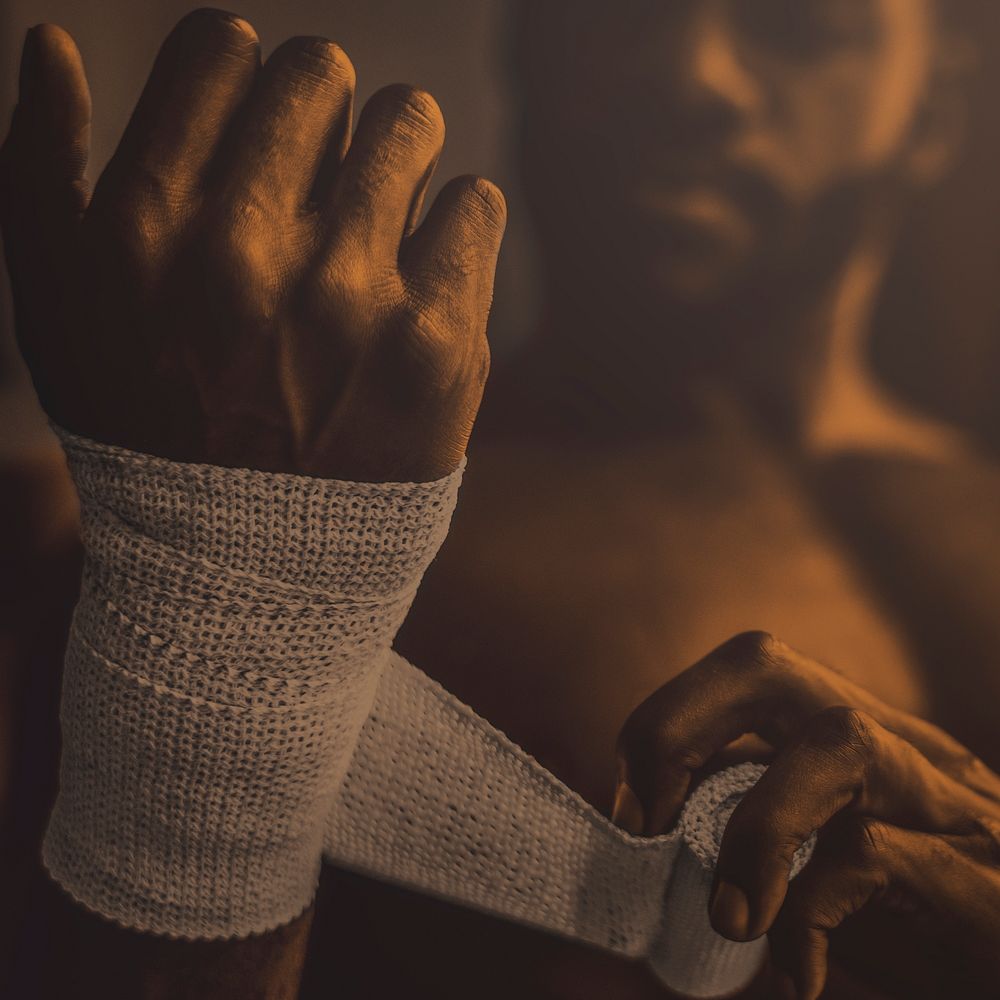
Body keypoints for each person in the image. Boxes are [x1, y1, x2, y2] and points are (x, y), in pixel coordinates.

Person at [0, 5, 999, 1000]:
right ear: (526, 47)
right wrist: (229, 575)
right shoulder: (252, 517)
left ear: (936, 106)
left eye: (797, 27)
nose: (690, 77)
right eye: (619, 15)